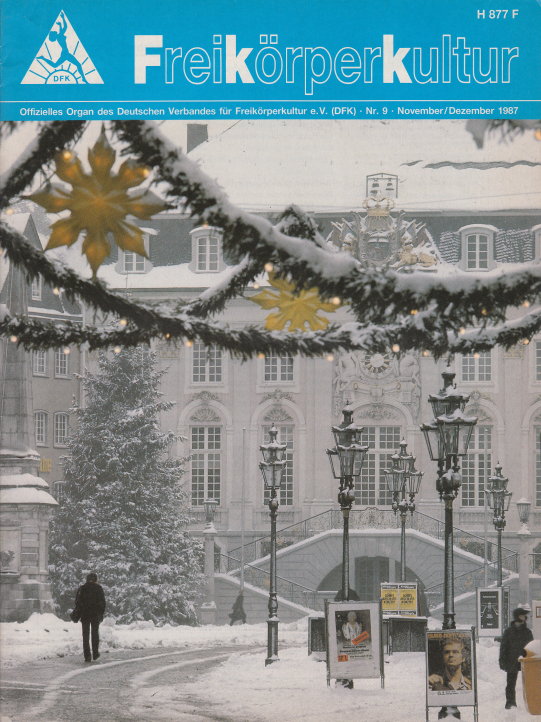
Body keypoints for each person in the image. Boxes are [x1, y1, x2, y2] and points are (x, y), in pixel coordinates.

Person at [499, 606, 534, 709]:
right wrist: (502, 660)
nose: (525, 617)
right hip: (512, 661)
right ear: (518, 616)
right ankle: (510, 703)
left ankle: (531, 702)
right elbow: (503, 647)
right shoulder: (508, 632)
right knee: (511, 684)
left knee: (529, 683)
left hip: (525, 661)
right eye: (523, 615)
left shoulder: (527, 632)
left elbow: (531, 647)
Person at [73, 572, 106, 662]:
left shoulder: (82, 588)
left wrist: (80, 612)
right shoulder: (98, 588)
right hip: (95, 615)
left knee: (85, 635)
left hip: (85, 615)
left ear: (87, 579)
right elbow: (102, 602)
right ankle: (95, 653)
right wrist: (100, 614)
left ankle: (87, 656)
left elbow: (77, 602)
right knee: (95, 634)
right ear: (95, 579)